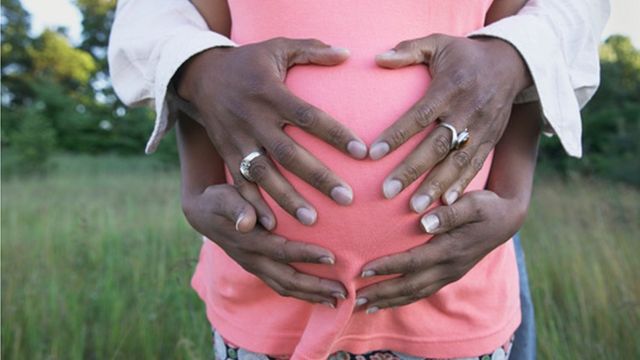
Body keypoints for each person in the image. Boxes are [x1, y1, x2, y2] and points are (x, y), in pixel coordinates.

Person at [108, 0, 609, 358]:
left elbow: (528, 33)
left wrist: (512, 192)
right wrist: (196, 180)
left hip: (455, 304)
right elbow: (191, 34)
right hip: (267, 305)